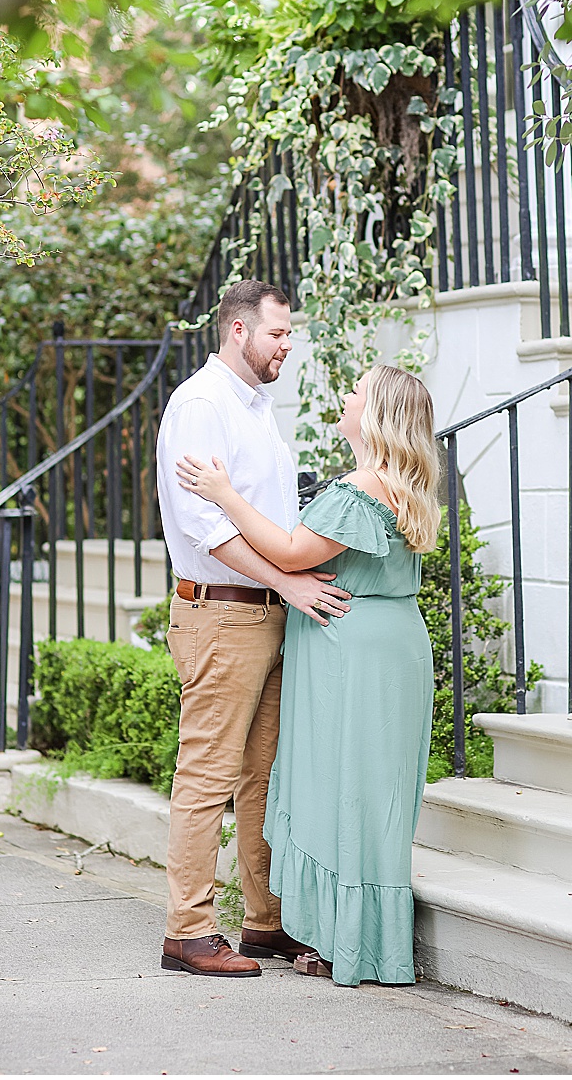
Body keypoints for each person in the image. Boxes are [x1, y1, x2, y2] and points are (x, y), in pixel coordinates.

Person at [178, 363, 440, 986]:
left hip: (349, 654)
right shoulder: (404, 486)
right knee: (378, 795)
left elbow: (293, 552)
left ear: (374, 415)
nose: (345, 396)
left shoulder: (360, 488)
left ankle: (340, 942)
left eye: (356, 391)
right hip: (394, 645)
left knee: (341, 790)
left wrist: (223, 492)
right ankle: (365, 940)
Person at [156, 279, 352, 979]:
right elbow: (204, 525)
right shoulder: (203, 405)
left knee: (262, 776)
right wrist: (287, 582)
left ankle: (264, 921)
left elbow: (264, 514)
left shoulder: (257, 407)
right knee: (208, 772)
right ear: (239, 331)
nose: (287, 344)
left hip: (265, 610)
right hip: (222, 609)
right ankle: (188, 930)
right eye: (278, 333)